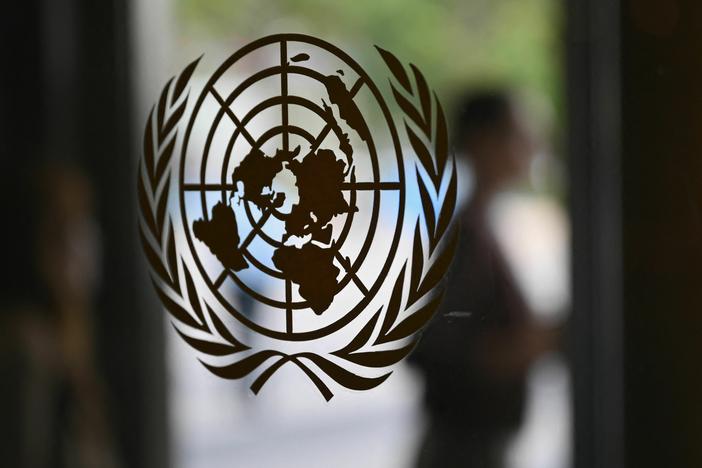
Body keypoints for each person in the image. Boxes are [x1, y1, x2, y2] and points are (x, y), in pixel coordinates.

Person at [411, 90, 558, 467]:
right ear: (482, 142)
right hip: (464, 448)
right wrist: (530, 343)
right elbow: (435, 347)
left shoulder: (475, 228)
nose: (530, 144)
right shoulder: (468, 236)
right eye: (516, 133)